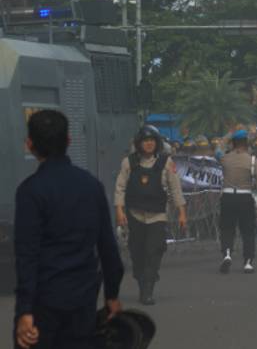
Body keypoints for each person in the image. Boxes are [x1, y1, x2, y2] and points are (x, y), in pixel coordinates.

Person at [14, 110, 124, 349]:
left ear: (29, 144)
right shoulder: (92, 186)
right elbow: (108, 248)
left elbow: (27, 256)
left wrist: (24, 311)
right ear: (69, 142)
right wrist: (112, 295)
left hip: (42, 306)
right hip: (83, 302)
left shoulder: (30, 192)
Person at [114, 126, 188, 305]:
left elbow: (175, 188)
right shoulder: (128, 162)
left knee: (154, 251)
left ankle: (148, 291)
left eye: (152, 140)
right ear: (139, 143)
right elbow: (120, 188)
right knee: (137, 253)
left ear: (157, 143)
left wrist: (182, 213)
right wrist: (119, 210)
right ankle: (142, 282)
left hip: (157, 216)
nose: (149, 144)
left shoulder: (166, 162)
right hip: (135, 215)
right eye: (145, 141)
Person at [218, 130, 257, 274]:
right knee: (248, 231)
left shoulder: (224, 158)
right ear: (247, 144)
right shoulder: (254, 161)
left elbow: (218, 148)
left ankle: (227, 254)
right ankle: (248, 262)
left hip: (228, 197)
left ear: (233, 144)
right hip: (245, 198)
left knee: (227, 228)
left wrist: (228, 134)